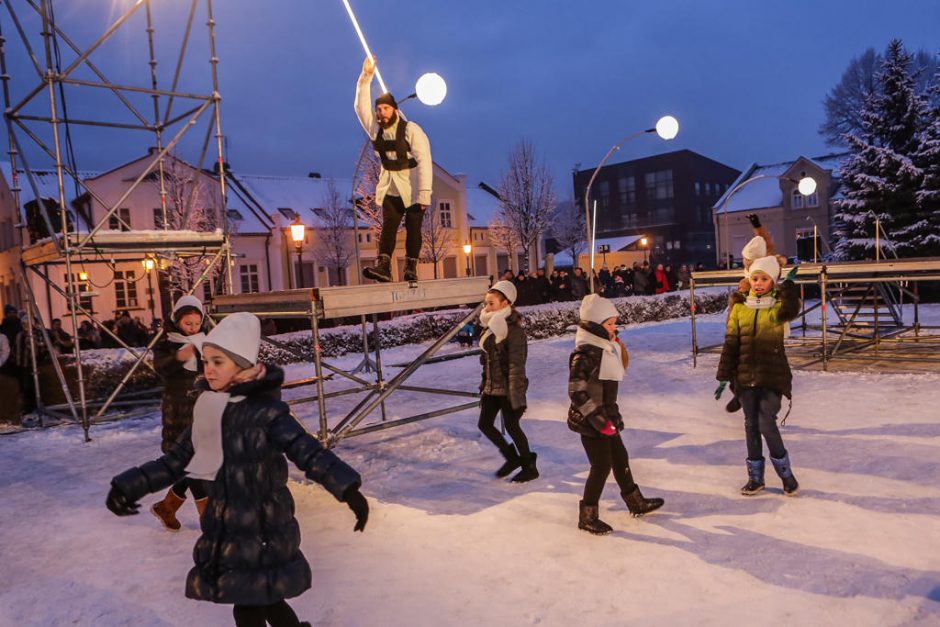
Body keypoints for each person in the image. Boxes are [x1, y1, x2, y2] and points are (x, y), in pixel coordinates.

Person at [106, 312, 369, 627]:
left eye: (219, 362)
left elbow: (306, 450)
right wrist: (128, 485)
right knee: (267, 601)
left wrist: (348, 488)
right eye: (206, 361)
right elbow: (175, 462)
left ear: (242, 366)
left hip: (263, 530)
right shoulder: (207, 411)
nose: (209, 369)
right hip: (228, 530)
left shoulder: (267, 413)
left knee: (249, 608)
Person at [568, 294, 664, 534]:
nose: (615, 327)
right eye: (610, 323)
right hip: (591, 421)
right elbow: (577, 392)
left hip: (606, 415)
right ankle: (587, 515)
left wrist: (616, 344)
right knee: (600, 466)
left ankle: (635, 502)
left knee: (620, 458)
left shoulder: (605, 348)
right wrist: (599, 421)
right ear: (594, 324)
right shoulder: (585, 354)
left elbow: (620, 370)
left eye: (614, 322)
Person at [715, 256, 801, 497]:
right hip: (744, 377)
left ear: (773, 281)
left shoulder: (775, 308)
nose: (759, 283)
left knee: (766, 423)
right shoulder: (739, 309)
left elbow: (790, 309)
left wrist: (789, 288)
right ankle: (755, 478)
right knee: (750, 426)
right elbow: (731, 343)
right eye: (755, 278)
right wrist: (724, 376)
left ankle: (786, 475)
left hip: (772, 376)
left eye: (764, 279)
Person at [355, 56, 432, 283]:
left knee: (413, 227)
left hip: (414, 183)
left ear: (395, 110)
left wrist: (425, 193)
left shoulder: (412, 130)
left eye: (386, 108)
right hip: (390, 184)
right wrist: (366, 77)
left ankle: (410, 267)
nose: (381, 113)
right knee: (389, 225)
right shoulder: (375, 129)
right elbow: (360, 107)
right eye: (378, 109)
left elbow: (425, 159)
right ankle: (384, 266)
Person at [148, 295, 211, 531]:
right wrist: (179, 357)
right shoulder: (167, 342)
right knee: (192, 463)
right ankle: (208, 517)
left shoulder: (205, 341)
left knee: (197, 461)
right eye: (188, 324)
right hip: (179, 411)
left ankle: (167, 507)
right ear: (177, 321)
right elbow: (161, 369)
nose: (193, 328)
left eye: (196, 324)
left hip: (203, 409)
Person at [476, 280, 538, 482]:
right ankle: (512, 458)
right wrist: (484, 384)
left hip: (508, 389)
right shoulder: (490, 326)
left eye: (491, 303)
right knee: (484, 424)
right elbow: (488, 360)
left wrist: (516, 395)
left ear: (505, 303)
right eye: (486, 303)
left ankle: (529, 466)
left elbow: (516, 365)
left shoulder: (515, 331)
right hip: (492, 387)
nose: (486, 307)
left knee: (512, 427)